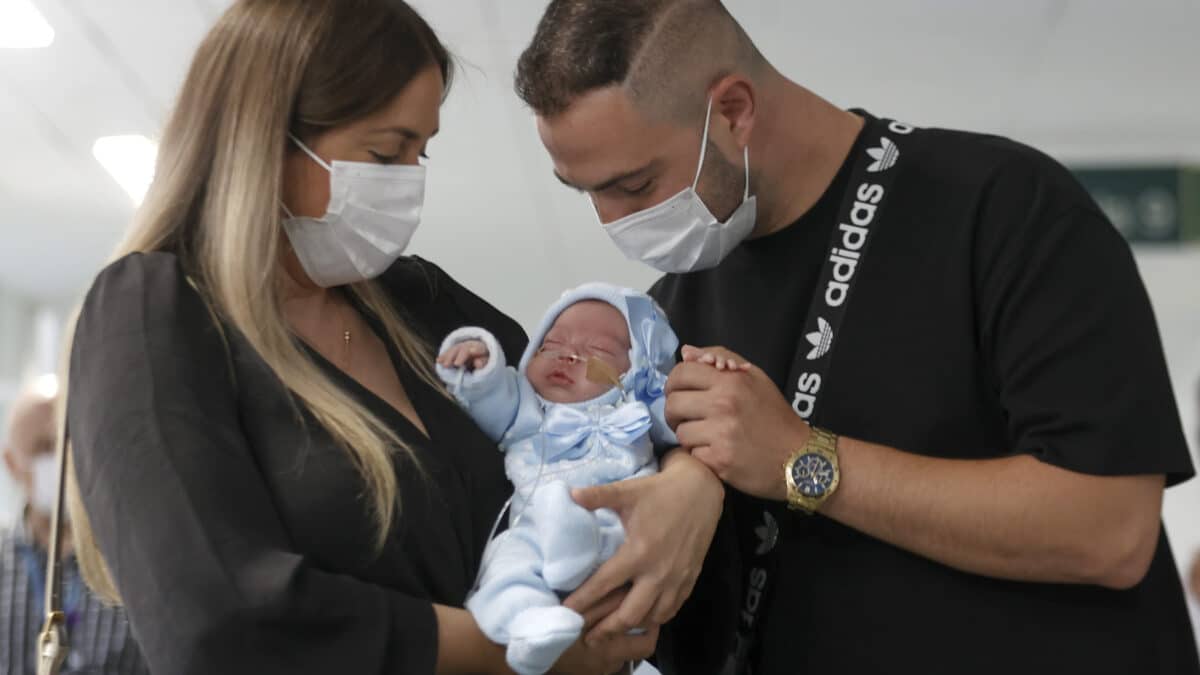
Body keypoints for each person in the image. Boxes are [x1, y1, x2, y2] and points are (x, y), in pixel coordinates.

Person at [515, 1, 1200, 673]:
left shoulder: (1002, 209)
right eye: (585, 191)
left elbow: (1108, 528)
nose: (612, 220)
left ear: (732, 111)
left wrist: (803, 460)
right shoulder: (660, 321)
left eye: (634, 184)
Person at [60, 1, 722, 673]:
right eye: (385, 151)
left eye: (420, 151)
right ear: (264, 136)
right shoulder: (155, 313)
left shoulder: (416, 303)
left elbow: (589, 416)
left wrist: (692, 485)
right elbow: (217, 621)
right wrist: (521, 655)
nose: (408, 182)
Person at [436, 284, 678, 674]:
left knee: (619, 540)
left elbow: (691, 419)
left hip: (618, 536)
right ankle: (530, 627)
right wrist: (478, 365)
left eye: (596, 353)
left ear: (636, 373)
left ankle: (574, 541)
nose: (567, 356)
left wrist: (707, 378)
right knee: (510, 561)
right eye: (550, 345)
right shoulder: (528, 409)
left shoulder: (638, 412)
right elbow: (491, 394)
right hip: (535, 526)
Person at [0, 386, 147, 673]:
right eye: (44, 448)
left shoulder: (130, 562)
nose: (60, 461)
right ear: (11, 463)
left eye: (69, 446)